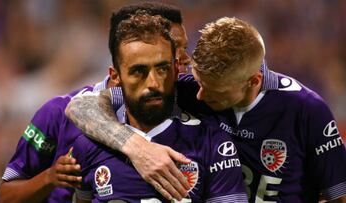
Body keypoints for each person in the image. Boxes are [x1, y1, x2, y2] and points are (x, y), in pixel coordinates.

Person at [66, 17, 346, 202]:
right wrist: (137, 148)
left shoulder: (306, 110)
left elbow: (339, 194)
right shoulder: (191, 90)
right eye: (199, 83)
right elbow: (82, 105)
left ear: (253, 81)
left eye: (215, 92)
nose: (199, 95)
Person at [0, 2, 192, 202]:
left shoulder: (186, 108)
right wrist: (48, 178)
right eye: (175, 48)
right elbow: (6, 196)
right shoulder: (57, 113)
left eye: (186, 47)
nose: (185, 59)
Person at [72, 11, 247, 203]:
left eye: (162, 69)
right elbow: (80, 104)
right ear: (116, 77)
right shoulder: (89, 144)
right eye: (139, 71)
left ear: (175, 68)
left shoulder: (212, 142)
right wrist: (137, 147)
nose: (154, 83)